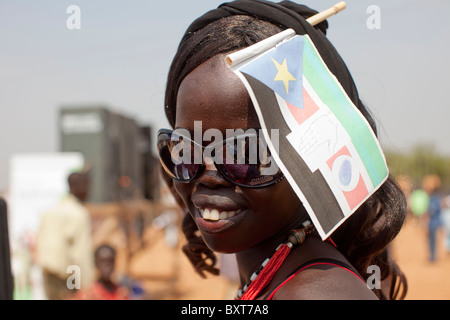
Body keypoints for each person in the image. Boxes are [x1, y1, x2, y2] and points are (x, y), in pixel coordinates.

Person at [159, 0, 407, 300]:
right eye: (186, 149)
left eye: (244, 152)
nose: (209, 175)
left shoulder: (319, 295)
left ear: (310, 154)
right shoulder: (279, 278)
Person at [36, 172, 94, 299]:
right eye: (86, 186)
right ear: (76, 187)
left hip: (48, 275)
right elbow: (80, 254)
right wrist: (85, 285)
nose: (88, 191)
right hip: (68, 279)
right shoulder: (79, 214)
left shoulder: (50, 212)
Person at [422, 174, 443, 262]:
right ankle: (432, 255)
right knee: (430, 240)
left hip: (433, 223)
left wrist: (426, 216)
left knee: (432, 240)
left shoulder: (434, 197)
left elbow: (432, 210)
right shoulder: (433, 197)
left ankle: (433, 256)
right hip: (432, 223)